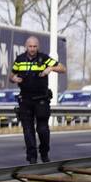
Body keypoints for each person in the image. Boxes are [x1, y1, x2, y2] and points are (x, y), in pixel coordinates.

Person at [11, 36, 66, 164]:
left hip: (41, 99)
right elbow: (12, 75)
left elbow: (63, 68)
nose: (32, 49)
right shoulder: (20, 60)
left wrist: (51, 68)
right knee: (28, 130)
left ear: (38, 47)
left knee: (42, 129)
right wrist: (13, 78)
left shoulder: (44, 58)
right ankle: (32, 158)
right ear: (26, 46)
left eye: (35, 46)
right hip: (25, 99)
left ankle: (44, 152)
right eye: (30, 46)